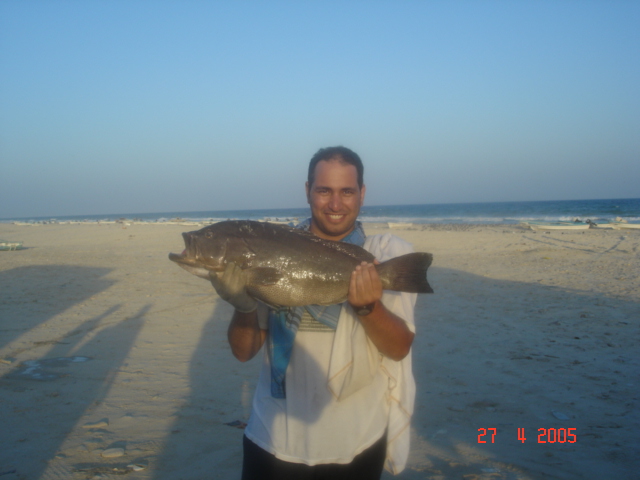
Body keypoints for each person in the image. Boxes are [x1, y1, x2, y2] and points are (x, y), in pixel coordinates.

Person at [210, 146, 417, 479]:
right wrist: (243, 306)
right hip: (272, 440)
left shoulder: (381, 257)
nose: (335, 204)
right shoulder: (272, 250)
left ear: (361, 194)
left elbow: (399, 347)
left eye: (346, 192)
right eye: (324, 191)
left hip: (358, 445)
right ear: (308, 191)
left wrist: (368, 307)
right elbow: (243, 352)